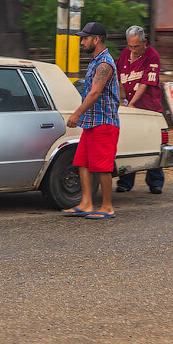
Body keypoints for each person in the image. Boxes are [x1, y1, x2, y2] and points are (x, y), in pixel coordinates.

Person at [61, 22, 121, 219]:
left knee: (102, 167)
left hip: (104, 122)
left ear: (96, 39)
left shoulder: (104, 63)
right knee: (82, 162)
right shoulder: (95, 61)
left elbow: (95, 93)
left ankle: (107, 207)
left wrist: (76, 114)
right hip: (91, 122)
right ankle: (86, 203)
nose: (82, 42)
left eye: (85, 38)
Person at [115, 25, 165, 194]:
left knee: (154, 144)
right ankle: (126, 181)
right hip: (131, 106)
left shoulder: (152, 56)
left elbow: (145, 83)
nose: (133, 50)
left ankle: (155, 182)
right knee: (130, 144)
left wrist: (131, 104)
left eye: (137, 46)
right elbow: (115, 76)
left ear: (145, 42)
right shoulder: (124, 54)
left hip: (150, 109)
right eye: (130, 46)